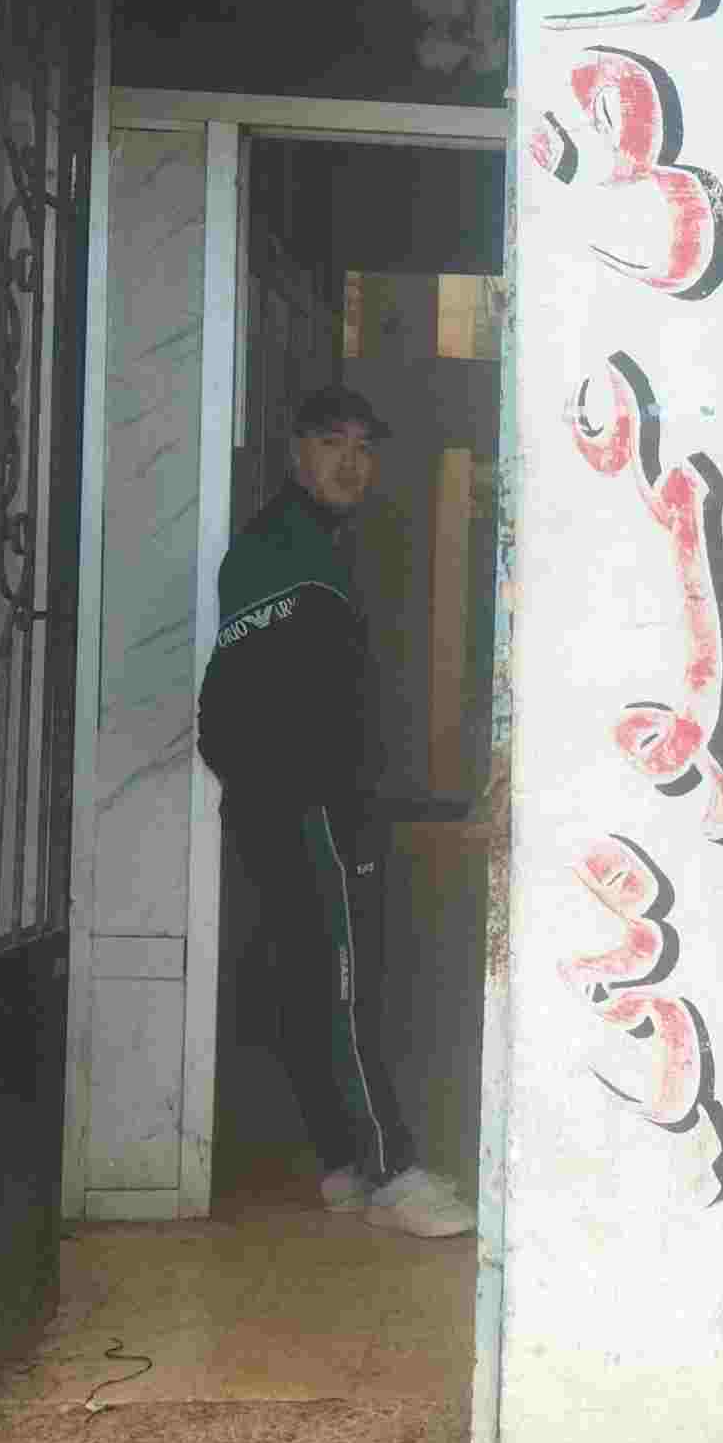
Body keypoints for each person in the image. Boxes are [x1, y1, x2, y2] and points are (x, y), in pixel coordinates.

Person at [197, 385, 476, 1237]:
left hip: (291, 805)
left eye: (364, 446)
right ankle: (391, 1173)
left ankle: (345, 1165)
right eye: (331, 443)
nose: (351, 462)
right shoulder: (284, 551)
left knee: (311, 984)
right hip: (307, 806)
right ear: (296, 451)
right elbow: (238, 702)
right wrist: (316, 797)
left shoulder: (308, 543)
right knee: (344, 988)